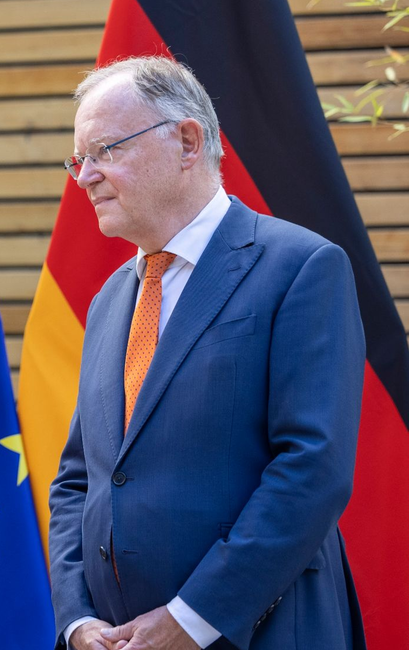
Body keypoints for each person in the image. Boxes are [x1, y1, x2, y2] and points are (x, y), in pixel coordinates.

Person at [49, 56, 366, 650]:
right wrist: (77, 619)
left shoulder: (301, 267)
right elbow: (79, 479)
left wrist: (193, 618)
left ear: (188, 142)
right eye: (78, 160)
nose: (85, 176)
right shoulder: (109, 299)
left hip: (261, 631)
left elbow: (312, 468)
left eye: (104, 150)